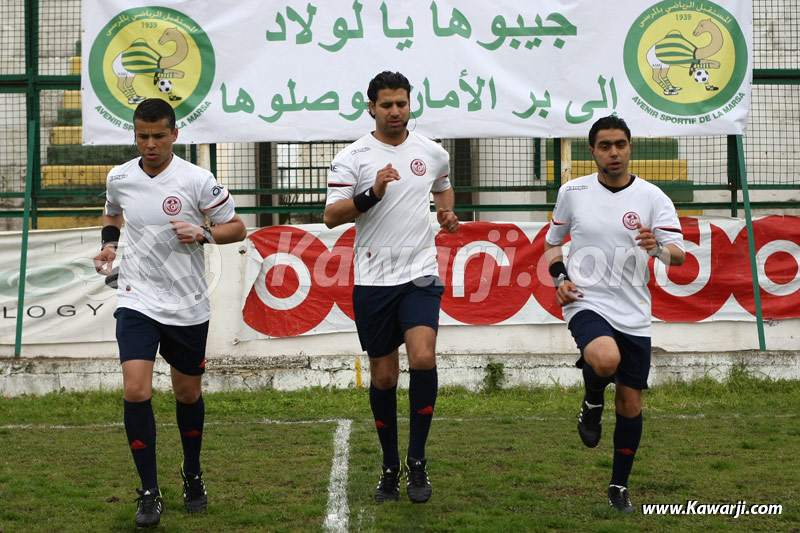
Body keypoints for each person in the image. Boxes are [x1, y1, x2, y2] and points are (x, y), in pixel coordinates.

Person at [93, 98, 246, 527]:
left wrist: (204, 233)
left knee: (187, 394)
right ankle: (148, 492)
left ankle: (192, 473)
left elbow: (237, 228)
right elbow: (113, 211)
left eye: (159, 135)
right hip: (136, 298)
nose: (150, 144)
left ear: (175, 134)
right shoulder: (120, 176)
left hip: (187, 304)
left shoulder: (198, 180)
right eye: (142, 136)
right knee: (136, 390)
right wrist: (109, 244)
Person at [323, 70, 459, 504]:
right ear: (371, 107)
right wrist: (373, 193)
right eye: (387, 105)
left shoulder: (432, 152)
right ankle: (389, 465)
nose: (396, 112)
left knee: (422, 356)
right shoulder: (354, 156)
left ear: (409, 104)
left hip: (419, 273)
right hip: (373, 279)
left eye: (402, 103)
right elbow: (331, 216)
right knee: (383, 376)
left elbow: (443, 188)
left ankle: (416, 463)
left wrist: (446, 214)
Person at [544, 115, 685, 513]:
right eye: (605, 146)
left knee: (630, 404)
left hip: (634, 311)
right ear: (592, 152)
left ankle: (618, 486)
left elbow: (679, 256)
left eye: (620, 144)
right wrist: (560, 279)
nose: (614, 152)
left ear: (629, 147)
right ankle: (592, 399)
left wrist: (656, 246)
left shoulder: (653, 198)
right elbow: (553, 244)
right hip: (586, 299)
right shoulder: (573, 191)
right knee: (605, 358)